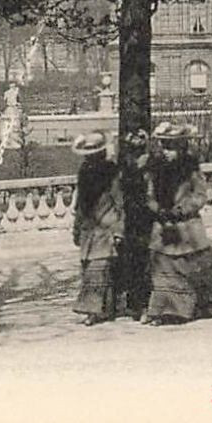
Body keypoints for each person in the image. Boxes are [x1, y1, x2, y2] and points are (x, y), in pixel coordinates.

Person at [142, 121, 212, 325]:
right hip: (163, 228)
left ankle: (197, 305)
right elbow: (148, 195)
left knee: (195, 267)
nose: (167, 152)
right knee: (164, 270)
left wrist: (183, 208)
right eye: (164, 146)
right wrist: (156, 209)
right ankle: (166, 310)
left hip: (188, 228)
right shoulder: (156, 170)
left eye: (171, 147)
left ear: (181, 147)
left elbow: (201, 195)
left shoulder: (191, 168)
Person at [71, 131, 124, 325]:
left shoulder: (111, 172)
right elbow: (80, 203)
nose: (89, 159)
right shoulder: (84, 172)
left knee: (98, 268)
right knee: (90, 269)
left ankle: (93, 311)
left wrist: (119, 229)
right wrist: (76, 228)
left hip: (106, 226)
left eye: (93, 155)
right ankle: (105, 308)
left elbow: (120, 202)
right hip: (88, 229)